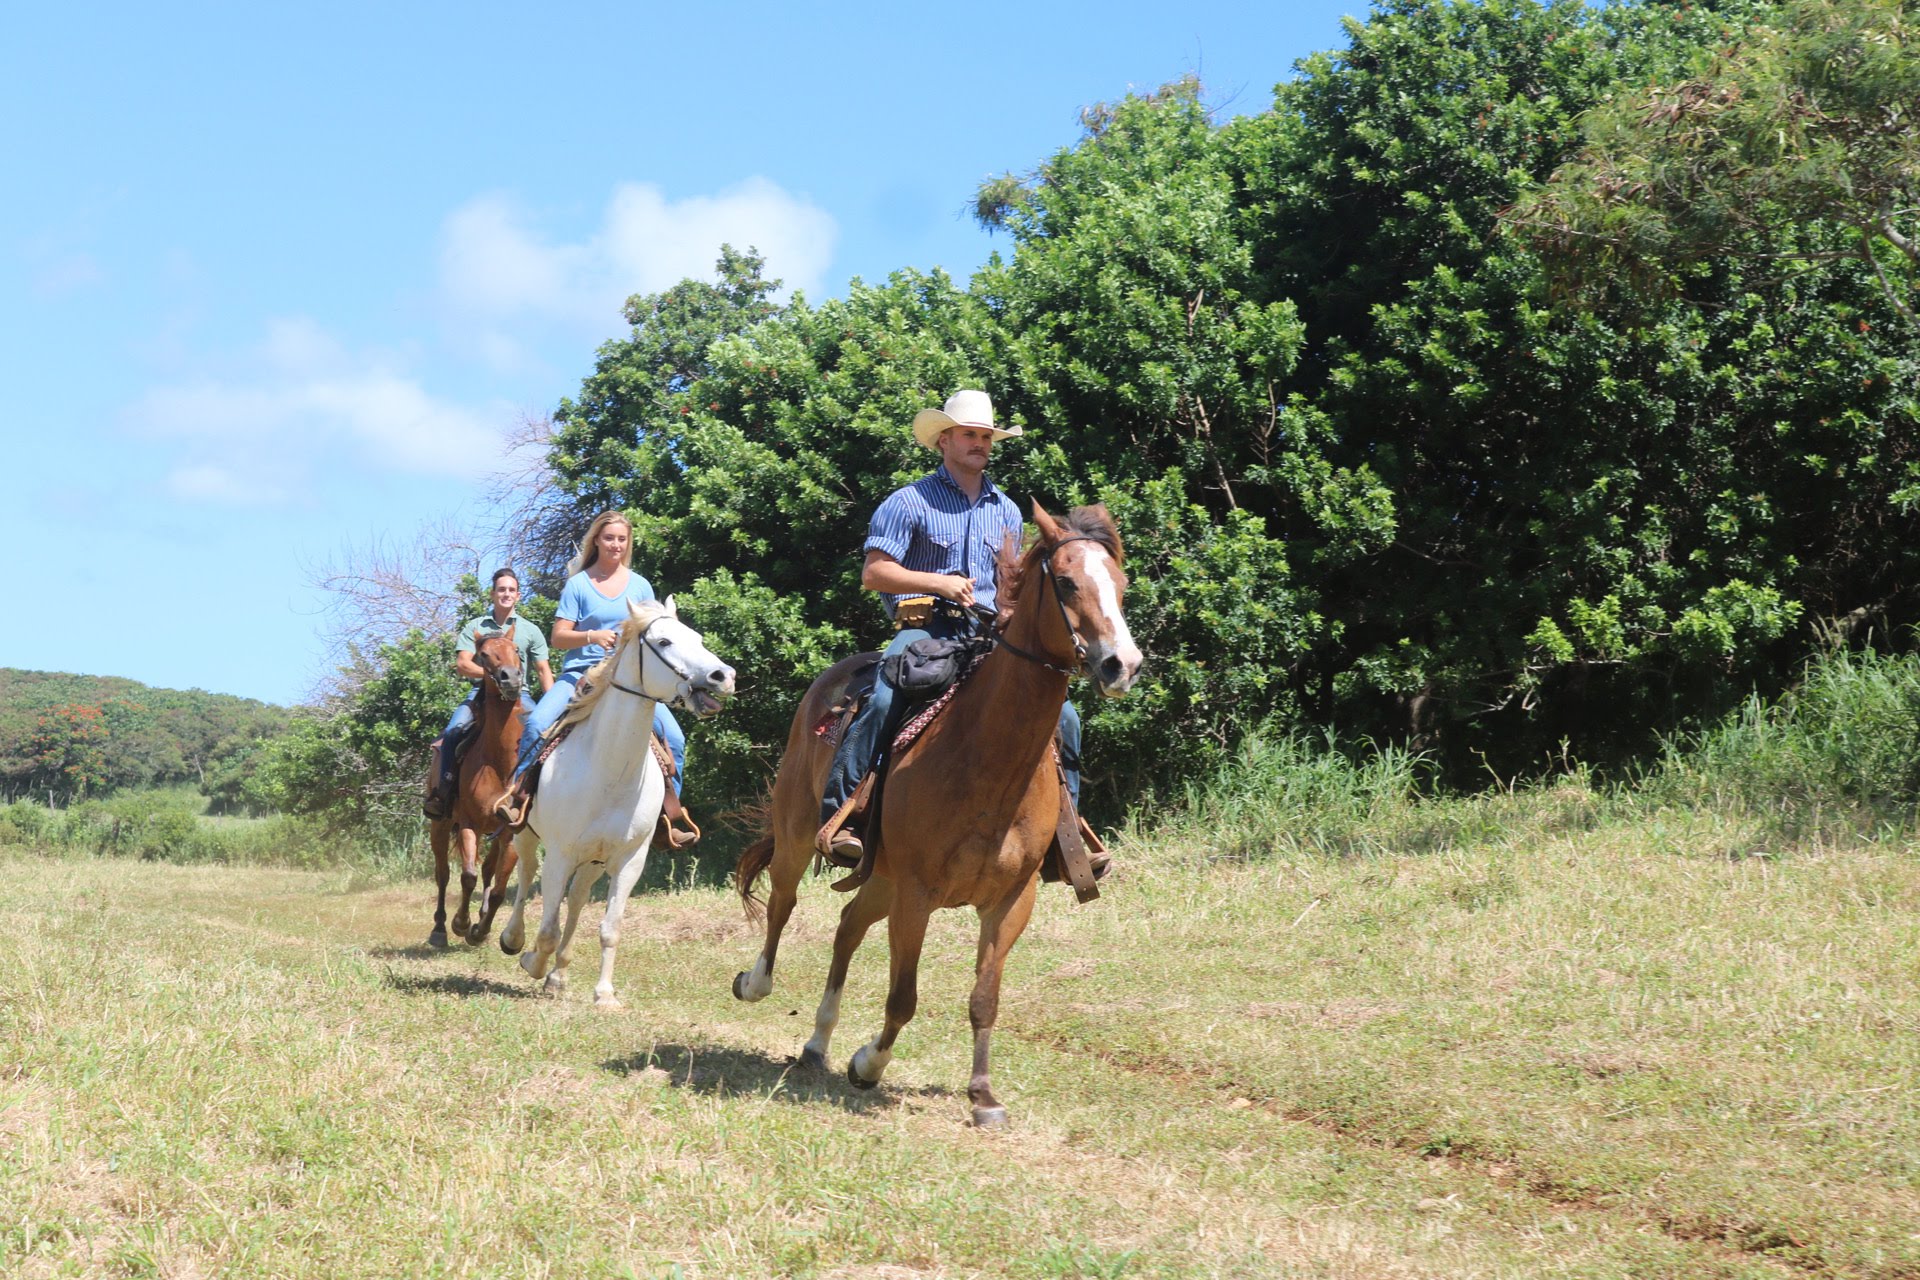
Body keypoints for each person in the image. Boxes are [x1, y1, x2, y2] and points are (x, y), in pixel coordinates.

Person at [817, 389, 1082, 861]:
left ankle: (1067, 831)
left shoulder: (1005, 508)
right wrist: (938, 583)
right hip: (928, 631)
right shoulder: (908, 501)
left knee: (1065, 716)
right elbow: (874, 573)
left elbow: (1010, 585)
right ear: (944, 440)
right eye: (968, 435)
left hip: (988, 635)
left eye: (985, 436)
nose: (979, 443)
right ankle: (844, 816)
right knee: (883, 697)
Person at [505, 510, 686, 795]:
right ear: (597, 541)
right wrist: (592, 636)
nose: (616, 544)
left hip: (630, 678)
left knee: (674, 738)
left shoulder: (641, 586)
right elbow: (558, 637)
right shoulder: (579, 584)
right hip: (580, 674)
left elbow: (651, 634)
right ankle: (517, 798)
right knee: (537, 723)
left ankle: (671, 813)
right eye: (609, 538)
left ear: (628, 543)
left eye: (622, 539)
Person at [423, 567, 554, 820]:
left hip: (520, 696)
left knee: (545, 736)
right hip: (481, 694)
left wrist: (553, 705)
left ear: (518, 596)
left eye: (511, 590)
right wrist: (494, 675)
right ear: (493, 594)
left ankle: (538, 796)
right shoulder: (476, 626)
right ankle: (444, 791)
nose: (506, 594)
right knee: (453, 732)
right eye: (501, 589)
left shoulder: (530, 630)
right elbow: (463, 664)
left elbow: (542, 670)